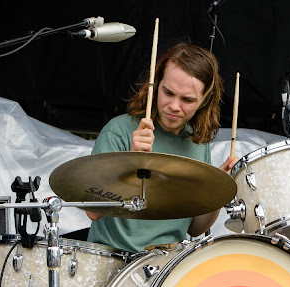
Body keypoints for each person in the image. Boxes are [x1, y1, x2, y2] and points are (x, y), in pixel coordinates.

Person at [86, 41, 237, 253]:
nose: (174, 106)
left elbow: (194, 228)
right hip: (114, 263)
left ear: (204, 101)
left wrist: (217, 193)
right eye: (168, 93)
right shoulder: (118, 131)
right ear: (156, 85)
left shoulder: (197, 143)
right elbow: (93, 213)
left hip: (166, 267)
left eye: (187, 99)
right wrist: (131, 162)